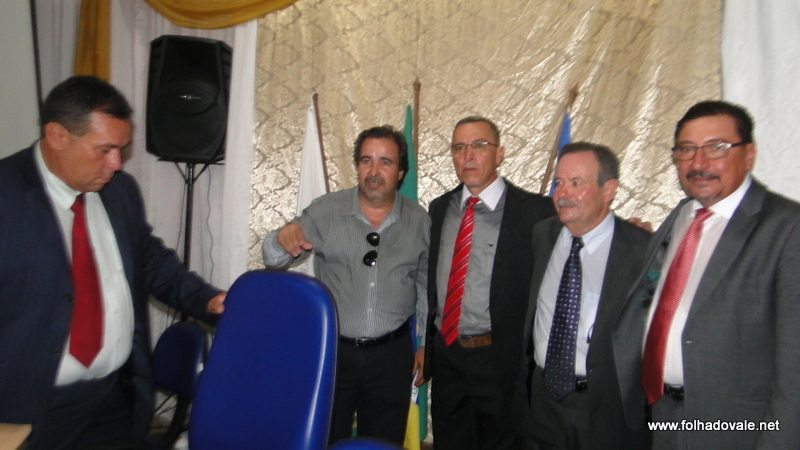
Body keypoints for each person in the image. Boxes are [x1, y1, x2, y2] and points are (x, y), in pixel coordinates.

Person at [0, 75, 226, 450]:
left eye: (121, 149)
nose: (116, 163)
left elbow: (148, 259)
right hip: (29, 411)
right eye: (104, 150)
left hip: (113, 401)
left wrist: (206, 299)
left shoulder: (119, 191)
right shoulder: (6, 195)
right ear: (57, 136)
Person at [614, 100, 800, 449]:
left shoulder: (787, 229)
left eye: (717, 147)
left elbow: (795, 371)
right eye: (686, 149)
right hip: (664, 417)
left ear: (749, 155)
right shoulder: (681, 217)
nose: (698, 163)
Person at [262, 125, 429, 445]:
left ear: (400, 172)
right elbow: (274, 259)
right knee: (325, 438)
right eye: (366, 160)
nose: (374, 171)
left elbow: (424, 285)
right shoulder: (326, 210)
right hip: (333, 352)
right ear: (357, 166)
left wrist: (425, 343)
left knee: (382, 444)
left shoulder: (419, 221)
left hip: (392, 355)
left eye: (385, 162)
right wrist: (280, 238)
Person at [424, 116, 556, 450]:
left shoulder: (537, 213)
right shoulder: (439, 208)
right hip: (447, 357)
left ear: (500, 154)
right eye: (458, 147)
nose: (467, 156)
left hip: (500, 360)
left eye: (479, 145)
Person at [516, 142, 650, 449]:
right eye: (558, 182)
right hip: (542, 402)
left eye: (576, 183)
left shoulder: (641, 251)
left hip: (604, 407)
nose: (562, 193)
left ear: (609, 190)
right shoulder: (543, 235)